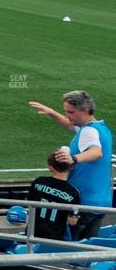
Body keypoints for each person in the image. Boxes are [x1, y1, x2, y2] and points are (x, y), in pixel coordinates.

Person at [29, 91, 112, 239]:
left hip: (82, 204)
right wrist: (51, 113)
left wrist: (73, 158)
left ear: (85, 111)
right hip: (100, 203)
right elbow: (70, 125)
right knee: (87, 251)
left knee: (71, 249)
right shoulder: (100, 128)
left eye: (71, 112)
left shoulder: (88, 131)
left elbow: (96, 152)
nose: (67, 115)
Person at [27, 153, 81, 242]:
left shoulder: (38, 182)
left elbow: (29, 206)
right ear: (71, 167)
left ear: (50, 167)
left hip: (32, 234)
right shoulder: (73, 192)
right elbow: (73, 221)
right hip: (54, 239)